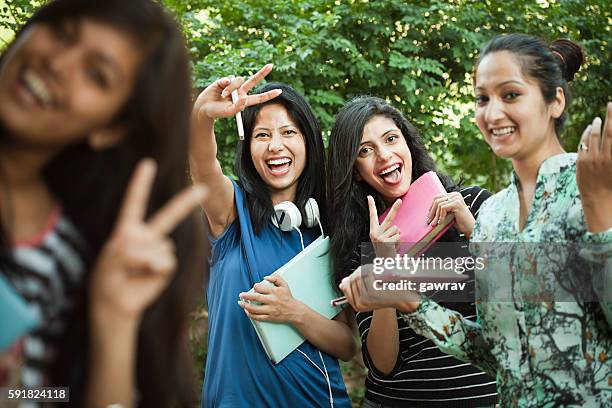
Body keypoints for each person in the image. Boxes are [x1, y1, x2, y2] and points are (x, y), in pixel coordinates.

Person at [342, 34, 612, 406]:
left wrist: (601, 216)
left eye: (511, 95)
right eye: (483, 99)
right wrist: (405, 297)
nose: (493, 112)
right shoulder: (497, 215)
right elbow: (497, 350)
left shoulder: (591, 187)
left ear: (555, 101)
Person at [0, 0, 205, 406]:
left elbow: (43, 394)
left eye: (97, 74)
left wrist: (114, 320)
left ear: (111, 128)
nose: (57, 63)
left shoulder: (65, 262)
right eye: (62, 33)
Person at [190, 67, 356, 407]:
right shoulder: (229, 214)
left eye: (288, 132)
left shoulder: (325, 230)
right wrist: (201, 117)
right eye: (262, 135)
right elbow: (203, 167)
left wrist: (293, 311)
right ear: (248, 147)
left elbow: (347, 344)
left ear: (307, 141)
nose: (275, 146)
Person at [327, 96, 499, 407]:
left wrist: (474, 230)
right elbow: (383, 364)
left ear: (407, 142)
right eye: (365, 151)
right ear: (355, 171)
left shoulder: (472, 204)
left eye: (391, 139)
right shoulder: (363, 244)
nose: (384, 156)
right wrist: (385, 270)